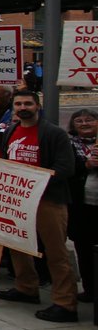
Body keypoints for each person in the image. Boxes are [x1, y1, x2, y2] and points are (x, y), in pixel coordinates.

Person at [0, 90, 78, 322]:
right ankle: (26, 287)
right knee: (17, 245)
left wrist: (34, 181)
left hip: (48, 200)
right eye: (18, 104)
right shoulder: (11, 131)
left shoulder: (54, 133)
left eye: (28, 104)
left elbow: (66, 168)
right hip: (18, 200)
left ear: (37, 106)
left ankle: (65, 303)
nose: (23, 107)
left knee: (55, 252)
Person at [66, 108, 98, 303]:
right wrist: (86, 165)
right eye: (79, 121)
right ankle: (90, 289)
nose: (85, 124)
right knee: (84, 248)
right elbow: (67, 169)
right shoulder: (68, 144)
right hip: (82, 206)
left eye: (89, 120)